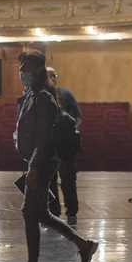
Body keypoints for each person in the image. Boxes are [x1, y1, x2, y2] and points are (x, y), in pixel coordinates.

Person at [7, 49, 98, 262]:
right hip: (37, 159)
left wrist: (34, 167)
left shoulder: (44, 97)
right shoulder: (31, 93)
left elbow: (46, 137)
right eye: (20, 67)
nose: (21, 71)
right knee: (42, 213)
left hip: (44, 160)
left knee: (29, 211)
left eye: (25, 67)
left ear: (38, 70)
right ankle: (84, 245)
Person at [45, 67, 83, 225]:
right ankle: (53, 212)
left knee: (68, 180)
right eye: (50, 75)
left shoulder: (65, 94)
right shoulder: (37, 95)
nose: (54, 78)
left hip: (65, 145)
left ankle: (72, 212)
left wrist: (70, 130)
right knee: (49, 181)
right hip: (46, 145)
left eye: (55, 75)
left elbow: (79, 117)